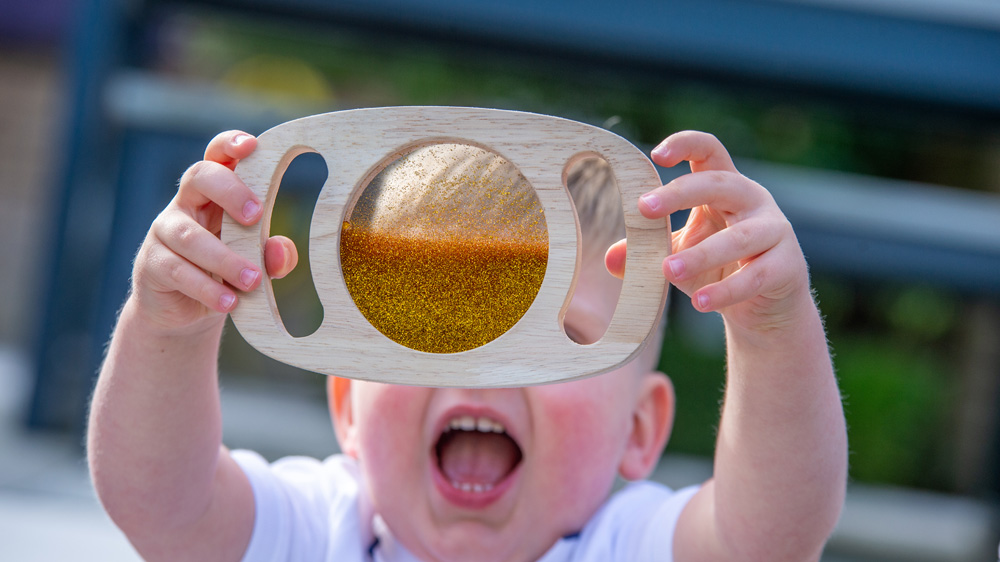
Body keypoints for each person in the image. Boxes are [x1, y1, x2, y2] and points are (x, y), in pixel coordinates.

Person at [87, 128, 847, 562]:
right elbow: (160, 501)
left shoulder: (625, 547)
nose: (487, 362)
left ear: (638, 431)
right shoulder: (315, 533)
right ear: (348, 406)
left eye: (560, 334)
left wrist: (771, 330)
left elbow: (771, 537)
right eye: (432, 319)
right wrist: (169, 329)